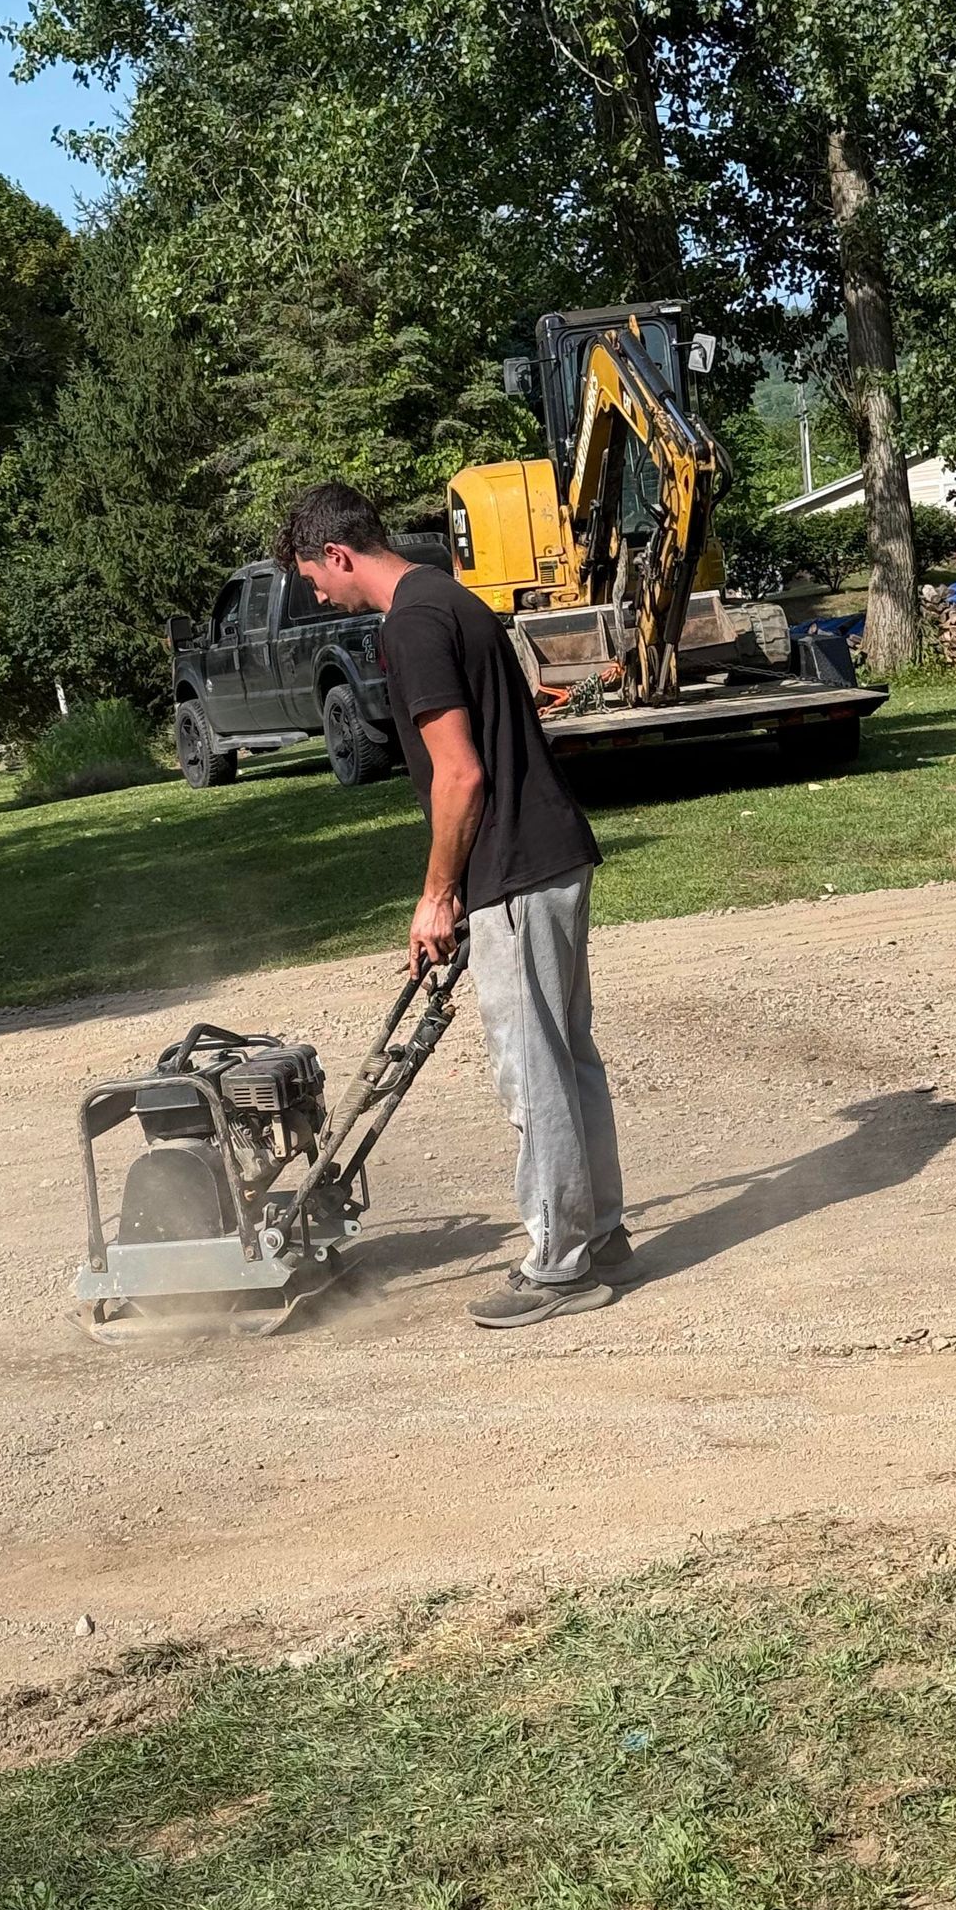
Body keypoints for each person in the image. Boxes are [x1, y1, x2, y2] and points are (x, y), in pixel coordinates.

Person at [274, 481, 637, 1328]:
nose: (318, 594)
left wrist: (438, 896)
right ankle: (600, 1230)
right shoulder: (450, 597)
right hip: (551, 856)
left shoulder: (411, 624)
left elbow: (461, 773)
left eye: (313, 578)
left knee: (533, 1068)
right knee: (569, 1056)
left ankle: (558, 1264)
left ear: (339, 554)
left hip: (510, 868)